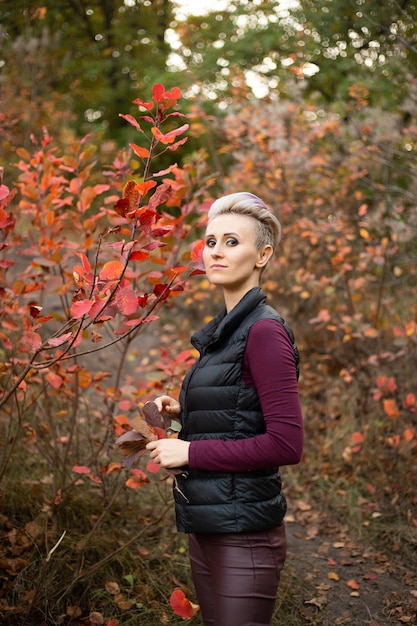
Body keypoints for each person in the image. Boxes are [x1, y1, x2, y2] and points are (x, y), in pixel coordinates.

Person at [146, 192, 303, 626]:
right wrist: (182, 413)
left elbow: (286, 443)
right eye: (211, 241)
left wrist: (190, 451)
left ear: (262, 254)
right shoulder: (226, 331)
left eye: (232, 242)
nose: (216, 251)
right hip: (210, 525)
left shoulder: (264, 332)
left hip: (245, 535)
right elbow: (240, 411)